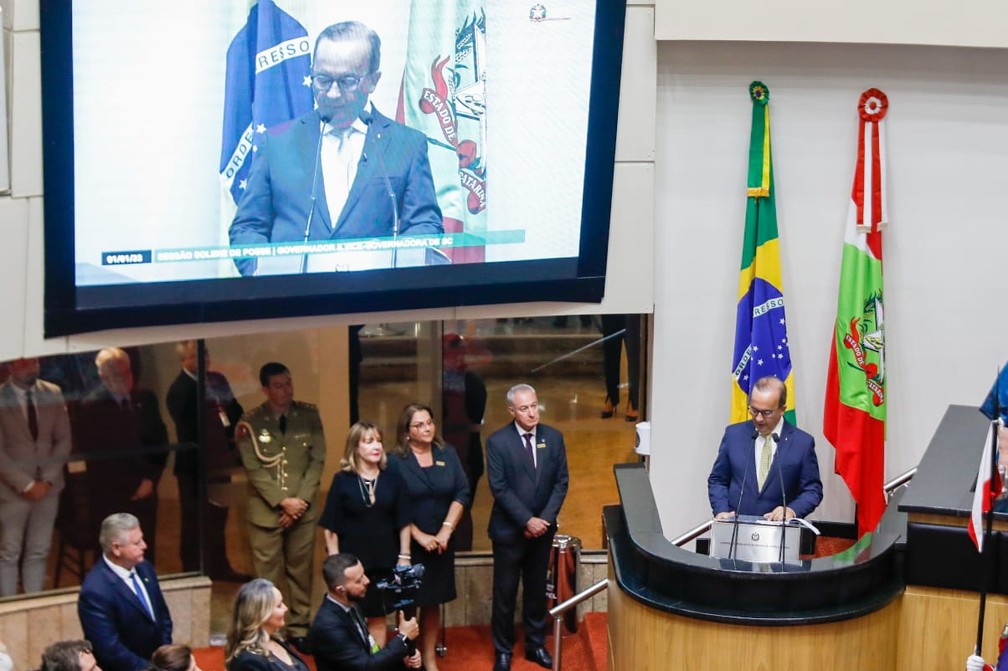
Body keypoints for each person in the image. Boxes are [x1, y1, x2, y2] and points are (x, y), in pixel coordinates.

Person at [229, 20, 443, 276]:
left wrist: (397, 272)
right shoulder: (277, 144)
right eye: (322, 79)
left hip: (375, 302)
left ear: (373, 81)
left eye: (347, 81)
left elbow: (425, 225)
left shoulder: (406, 145)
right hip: (292, 302)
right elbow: (247, 228)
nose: (331, 93)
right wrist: (265, 274)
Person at [235, 363, 326, 651]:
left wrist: (299, 503)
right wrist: (283, 502)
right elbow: (253, 469)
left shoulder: (309, 415)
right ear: (265, 389)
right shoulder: (250, 422)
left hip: (303, 509)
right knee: (268, 577)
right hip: (266, 512)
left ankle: (299, 627)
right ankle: (272, 631)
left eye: (288, 383)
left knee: (301, 572)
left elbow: (317, 461)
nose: (286, 389)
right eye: (278, 385)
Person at [486, 384, 569, 671]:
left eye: (534, 406)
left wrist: (542, 520)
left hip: (542, 531)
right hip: (510, 533)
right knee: (505, 593)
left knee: (536, 591)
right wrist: (526, 520)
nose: (532, 413)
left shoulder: (554, 438)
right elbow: (499, 487)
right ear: (512, 411)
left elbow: (561, 482)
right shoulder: (498, 442)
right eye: (524, 408)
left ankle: (535, 645)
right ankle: (503, 651)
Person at [318, 422, 411, 647]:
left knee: (378, 619)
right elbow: (331, 527)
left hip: (385, 561)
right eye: (368, 441)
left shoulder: (393, 477)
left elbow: (404, 521)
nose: (376, 446)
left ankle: (376, 663)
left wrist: (405, 556)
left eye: (378, 440)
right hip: (352, 568)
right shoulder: (342, 480)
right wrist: (336, 565)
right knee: (351, 621)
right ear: (355, 447)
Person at [391, 404, 469, 671]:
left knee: (433, 602)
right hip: (408, 544)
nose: (426, 429)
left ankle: (429, 659)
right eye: (419, 425)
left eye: (429, 423)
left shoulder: (447, 452)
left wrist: (446, 529)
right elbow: (392, 503)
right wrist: (419, 535)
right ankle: (407, 658)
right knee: (408, 603)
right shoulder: (395, 460)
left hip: (440, 544)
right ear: (406, 431)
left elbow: (462, 492)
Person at [72, 348, 169, 562]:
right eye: (117, 375)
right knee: (114, 557)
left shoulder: (146, 398)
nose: (125, 378)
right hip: (111, 496)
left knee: (144, 553)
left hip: (146, 493)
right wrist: (132, 487)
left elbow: (160, 443)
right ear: (103, 377)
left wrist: (150, 480)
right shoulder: (90, 407)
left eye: (127, 372)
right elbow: (99, 454)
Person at [165, 340, 248, 580]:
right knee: (193, 521)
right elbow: (190, 427)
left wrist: (237, 430)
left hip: (221, 463)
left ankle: (219, 567)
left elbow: (234, 410)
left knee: (218, 518)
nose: (204, 359)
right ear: (184, 361)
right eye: (195, 356)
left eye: (206, 353)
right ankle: (191, 572)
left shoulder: (218, 380)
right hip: (195, 469)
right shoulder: (179, 389)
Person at [0, 357, 72, 596]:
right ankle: (11, 610)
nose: (32, 367)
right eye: (24, 363)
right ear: (10, 366)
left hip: (49, 488)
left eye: (35, 362)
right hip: (13, 491)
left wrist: (47, 481)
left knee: (39, 550)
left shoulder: (53, 392)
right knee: (10, 551)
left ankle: (34, 603)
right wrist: (27, 485)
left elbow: (63, 440)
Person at [707, 376, 823, 521]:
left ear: (782, 409)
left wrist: (792, 510)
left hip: (779, 534)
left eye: (767, 412)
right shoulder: (733, 435)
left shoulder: (802, 443)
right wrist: (721, 510)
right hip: (735, 530)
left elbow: (812, 490)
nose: (759, 419)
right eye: (754, 410)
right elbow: (718, 480)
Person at [77, 513, 172, 671]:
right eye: (137, 543)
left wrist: (165, 657)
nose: (144, 546)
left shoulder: (145, 568)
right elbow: (110, 649)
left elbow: (163, 616)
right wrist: (149, 670)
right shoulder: (95, 591)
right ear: (116, 548)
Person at [308, 553, 421, 671]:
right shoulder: (328, 626)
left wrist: (402, 658)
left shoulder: (352, 605)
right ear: (341, 590)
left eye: (363, 574)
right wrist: (403, 637)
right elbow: (365, 666)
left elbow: (371, 649)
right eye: (359, 580)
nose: (367, 581)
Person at [224, 579, 308, 671]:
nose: (286, 608)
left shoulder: (278, 640)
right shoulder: (247, 662)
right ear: (262, 614)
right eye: (279, 606)